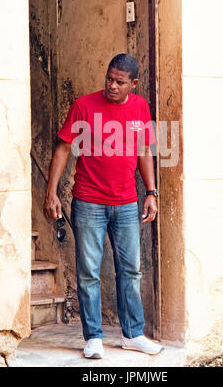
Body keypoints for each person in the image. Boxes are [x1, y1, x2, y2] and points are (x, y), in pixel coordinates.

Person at [43, 53, 163, 359]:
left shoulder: (140, 108)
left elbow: (143, 150)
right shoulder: (84, 105)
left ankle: (133, 333)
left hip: (125, 203)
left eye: (119, 82)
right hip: (88, 203)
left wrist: (151, 192)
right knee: (89, 272)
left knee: (130, 271)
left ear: (133, 84)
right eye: (109, 78)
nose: (111, 85)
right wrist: (51, 191)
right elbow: (64, 147)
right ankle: (93, 336)